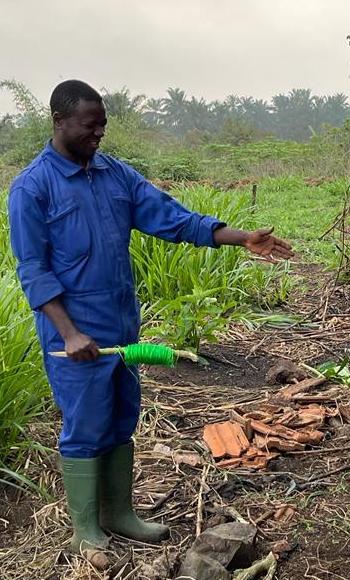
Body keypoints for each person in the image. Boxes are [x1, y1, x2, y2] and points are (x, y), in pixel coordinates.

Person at [8, 80, 293, 553]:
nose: (99, 134)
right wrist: (69, 332)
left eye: (103, 125)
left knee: (122, 417)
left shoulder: (115, 175)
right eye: (89, 125)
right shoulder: (32, 188)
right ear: (59, 123)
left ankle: (119, 513)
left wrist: (240, 236)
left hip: (121, 324)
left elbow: (174, 219)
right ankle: (85, 531)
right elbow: (33, 270)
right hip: (74, 334)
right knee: (84, 425)